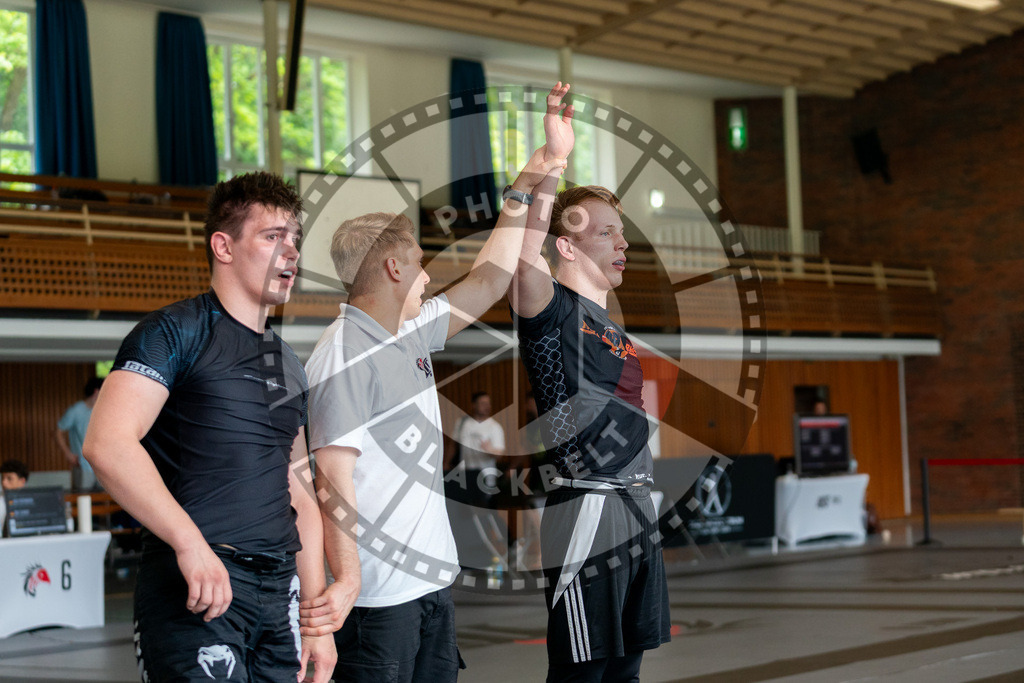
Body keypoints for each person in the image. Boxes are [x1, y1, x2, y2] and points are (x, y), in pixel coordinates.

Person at [299, 83, 574, 682]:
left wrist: (536, 171)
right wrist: (346, 580)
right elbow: (331, 481)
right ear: (394, 268)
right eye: (420, 263)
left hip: (429, 585)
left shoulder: (407, 332)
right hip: (376, 602)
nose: (428, 276)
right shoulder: (341, 356)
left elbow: (490, 278)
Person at [81, 172, 336, 682]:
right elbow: (107, 443)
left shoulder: (288, 362)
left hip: (278, 591)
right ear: (223, 245)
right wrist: (189, 543)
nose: (291, 253)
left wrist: (316, 619)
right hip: (198, 583)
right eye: (272, 237)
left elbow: (301, 492)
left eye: (295, 239)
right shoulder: (173, 332)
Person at [510, 179, 671, 675]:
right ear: (567, 246)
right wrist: (550, 165)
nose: (623, 244)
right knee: (585, 671)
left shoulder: (610, 324)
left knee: (627, 672)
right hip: (589, 508)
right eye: (607, 233)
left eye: (621, 233)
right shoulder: (550, 308)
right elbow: (519, 255)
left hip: (639, 506)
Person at [455, 391, 506, 504]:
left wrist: (489, 450)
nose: (487, 406)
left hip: (485, 478)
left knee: (482, 509)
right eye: (483, 403)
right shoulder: (462, 423)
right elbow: (453, 445)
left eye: (488, 403)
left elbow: (499, 455)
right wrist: (446, 463)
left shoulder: (494, 427)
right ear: (474, 405)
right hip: (464, 475)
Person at [56, 377, 103, 491]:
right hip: (83, 465)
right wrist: (68, 454)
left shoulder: (101, 409)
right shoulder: (76, 410)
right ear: (96, 392)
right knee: (82, 499)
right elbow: (58, 431)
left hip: (101, 465)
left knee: (103, 500)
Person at [1, 459, 29, 538]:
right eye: (2, 478)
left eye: (9, 479)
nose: (4, 483)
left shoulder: (31, 503)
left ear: (22, 481)